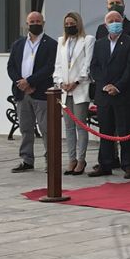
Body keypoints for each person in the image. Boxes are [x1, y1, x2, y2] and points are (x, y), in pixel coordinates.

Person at [88, 10, 130, 178]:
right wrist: (104, 85)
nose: (115, 23)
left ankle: (129, 165)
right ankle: (105, 163)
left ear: (123, 22)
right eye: (111, 21)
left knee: (127, 131)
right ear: (105, 25)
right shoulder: (99, 43)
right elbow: (94, 67)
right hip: (104, 95)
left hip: (123, 94)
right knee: (105, 131)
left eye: (118, 20)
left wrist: (117, 86)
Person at [7, 12, 58, 173]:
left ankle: (51, 160)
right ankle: (26, 160)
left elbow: (50, 67)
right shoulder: (18, 43)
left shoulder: (51, 44)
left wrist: (30, 82)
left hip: (41, 92)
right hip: (22, 93)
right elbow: (11, 66)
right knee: (25, 128)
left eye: (38, 21)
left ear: (43, 22)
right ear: (27, 23)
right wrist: (21, 83)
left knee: (46, 129)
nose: (35, 24)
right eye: (32, 21)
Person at [52, 12, 95, 175]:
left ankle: (81, 159)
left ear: (78, 24)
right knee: (68, 127)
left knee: (80, 125)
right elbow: (57, 65)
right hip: (64, 90)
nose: (69, 26)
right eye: (67, 24)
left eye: (72, 23)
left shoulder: (88, 40)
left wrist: (76, 82)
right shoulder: (61, 41)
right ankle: (71, 159)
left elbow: (87, 64)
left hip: (80, 88)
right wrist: (60, 82)